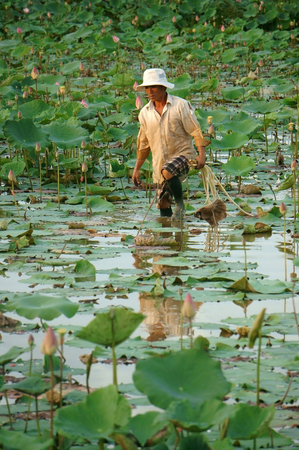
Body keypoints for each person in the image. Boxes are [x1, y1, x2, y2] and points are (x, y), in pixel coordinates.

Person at [132, 68, 210, 221]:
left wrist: (202, 154)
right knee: (163, 203)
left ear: (163, 87)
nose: (150, 91)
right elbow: (143, 144)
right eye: (147, 87)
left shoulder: (180, 106)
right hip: (160, 163)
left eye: (154, 87)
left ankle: (180, 205)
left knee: (168, 170)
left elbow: (195, 130)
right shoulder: (145, 113)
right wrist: (136, 169)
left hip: (183, 156)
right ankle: (170, 238)